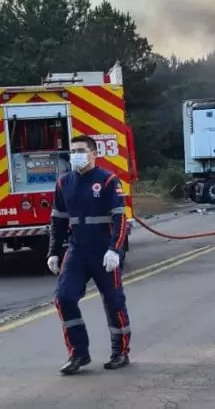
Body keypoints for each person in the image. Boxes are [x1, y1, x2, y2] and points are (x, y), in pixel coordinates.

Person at [47, 135, 132, 375]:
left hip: (104, 250)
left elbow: (119, 217)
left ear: (94, 153)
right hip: (77, 251)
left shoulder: (107, 180)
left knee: (113, 300)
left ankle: (120, 351)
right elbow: (58, 221)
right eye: (73, 150)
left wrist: (115, 249)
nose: (76, 154)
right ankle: (78, 353)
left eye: (81, 150)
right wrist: (54, 251)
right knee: (63, 298)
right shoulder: (64, 183)